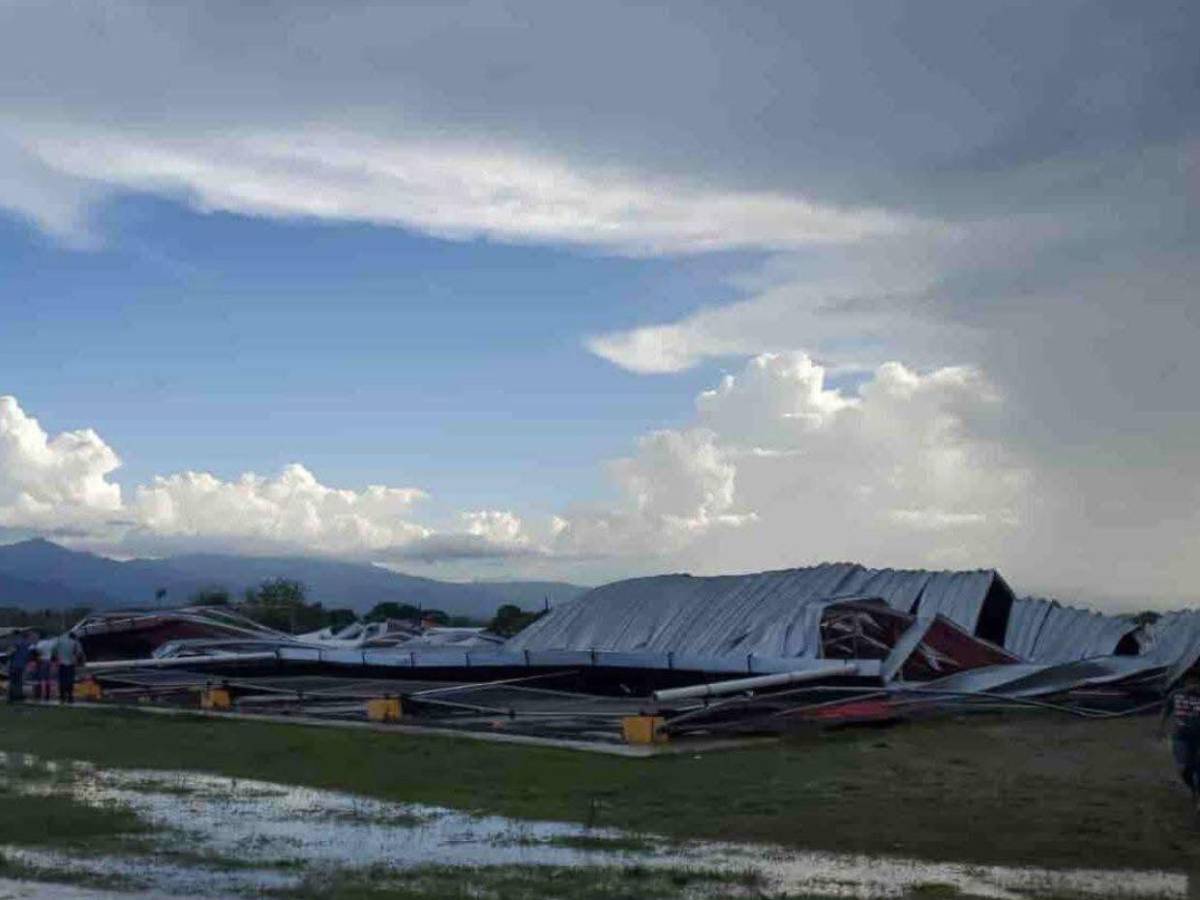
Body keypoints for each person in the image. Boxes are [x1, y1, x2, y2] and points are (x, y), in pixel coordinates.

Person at [1160, 674, 1200, 807]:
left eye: (1196, 684)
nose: (1194, 687)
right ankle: (1193, 788)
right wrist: (1161, 728)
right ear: (1185, 683)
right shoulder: (1175, 695)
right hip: (1181, 736)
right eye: (1191, 683)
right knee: (1183, 767)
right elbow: (1166, 711)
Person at [51, 630, 86, 704]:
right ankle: (70, 697)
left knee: (62, 680)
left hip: (61, 663)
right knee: (70, 680)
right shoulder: (75, 642)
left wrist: (57, 658)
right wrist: (76, 659)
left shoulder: (59, 641)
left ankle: (62, 697)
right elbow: (79, 652)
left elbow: (53, 650)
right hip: (71, 664)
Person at [6, 631, 35, 703]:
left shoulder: (17, 643)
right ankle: (17, 696)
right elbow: (27, 656)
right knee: (18, 681)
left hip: (15, 665)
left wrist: (8, 656)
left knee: (14, 681)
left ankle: (12, 697)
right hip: (21, 665)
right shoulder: (26, 644)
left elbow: (10, 652)